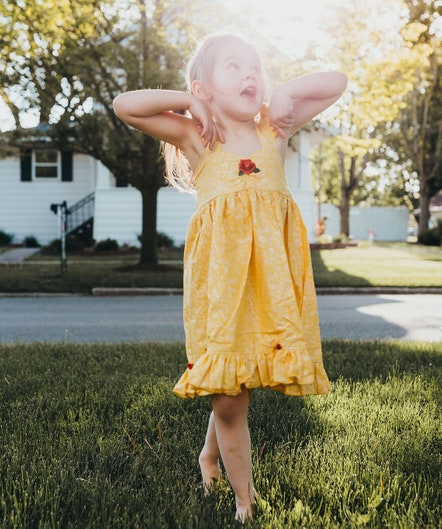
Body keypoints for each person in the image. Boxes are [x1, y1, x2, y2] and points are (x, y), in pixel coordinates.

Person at [113, 32, 347, 522]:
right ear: (205, 87)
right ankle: (246, 502)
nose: (249, 76)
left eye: (255, 68)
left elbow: (337, 82)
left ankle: (210, 453)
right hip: (221, 285)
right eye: (234, 67)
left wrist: (285, 93)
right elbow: (124, 105)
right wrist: (186, 102)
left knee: (240, 385)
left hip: (272, 283)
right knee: (228, 394)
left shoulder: (275, 128)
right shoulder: (199, 136)